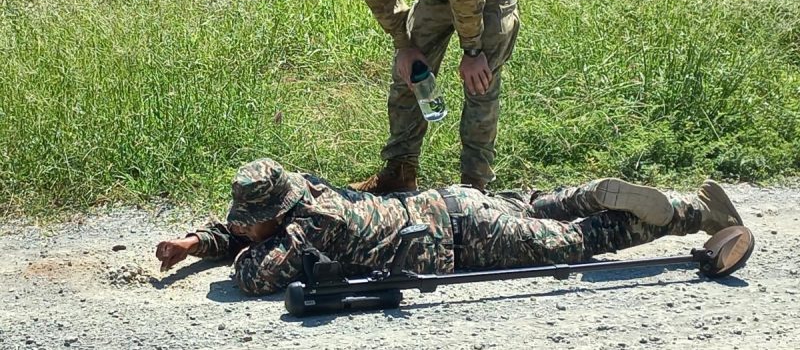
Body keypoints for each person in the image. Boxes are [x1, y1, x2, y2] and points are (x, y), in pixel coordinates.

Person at [155, 158, 744, 296]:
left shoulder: (304, 234)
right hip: (451, 203)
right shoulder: (306, 189)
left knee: (583, 242)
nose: (246, 229)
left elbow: (252, 271)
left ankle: (693, 216)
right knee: (540, 207)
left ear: (275, 215)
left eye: (253, 222)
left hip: (462, 241)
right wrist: (193, 242)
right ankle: (597, 194)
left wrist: (231, 248)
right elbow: (246, 230)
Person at [348, 0, 521, 194]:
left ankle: (474, 185)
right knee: (409, 75)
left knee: (480, 82)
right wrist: (405, 47)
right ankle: (400, 172)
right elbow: (382, 1)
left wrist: (473, 53)